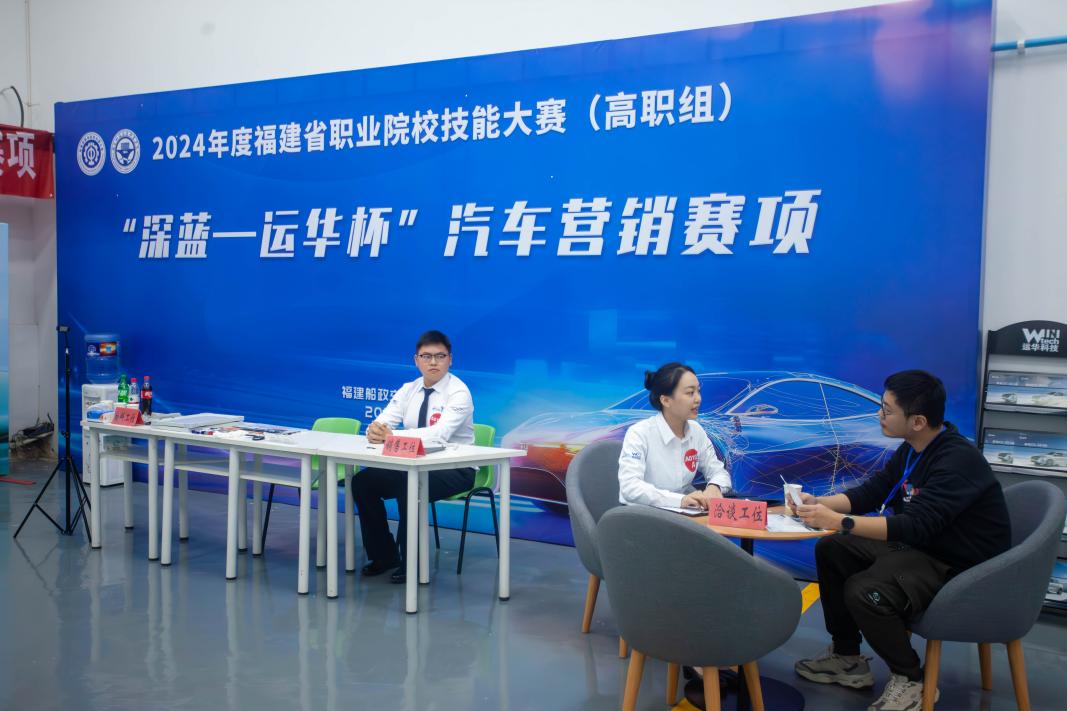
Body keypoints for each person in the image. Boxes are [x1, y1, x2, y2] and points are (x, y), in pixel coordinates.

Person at [792, 370, 1011, 711]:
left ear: (918, 421)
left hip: (961, 568)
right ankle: (847, 657)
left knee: (864, 590)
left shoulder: (956, 461)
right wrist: (819, 504)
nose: (878, 414)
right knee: (833, 548)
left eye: (887, 409)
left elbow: (914, 526)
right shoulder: (913, 450)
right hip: (925, 549)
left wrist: (839, 522)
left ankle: (911, 679)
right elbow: (871, 493)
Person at [353, 330, 476, 584]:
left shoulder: (459, 392)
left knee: (409, 485)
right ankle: (384, 556)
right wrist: (375, 431)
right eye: (426, 356)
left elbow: (439, 434)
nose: (433, 362)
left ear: (450, 359)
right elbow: (382, 423)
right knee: (362, 483)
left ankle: (412, 563)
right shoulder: (409, 389)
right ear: (416, 360)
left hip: (455, 469)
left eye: (440, 356)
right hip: (412, 464)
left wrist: (391, 436)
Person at [617, 362, 732, 508]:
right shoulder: (639, 433)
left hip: (684, 514)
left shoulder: (696, 431)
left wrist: (714, 487)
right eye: (690, 393)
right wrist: (680, 500)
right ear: (666, 400)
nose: (698, 399)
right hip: (643, 515)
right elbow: (630, 488)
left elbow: (718, 471)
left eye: (698, 391)